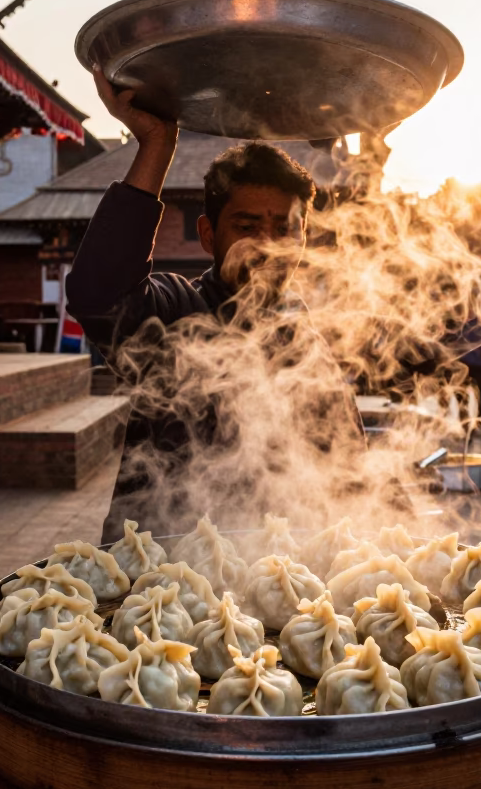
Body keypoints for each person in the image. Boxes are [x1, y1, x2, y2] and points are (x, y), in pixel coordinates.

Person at [65, 71, 364, 536]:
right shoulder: (174, 311)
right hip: (164, 581)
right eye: (246, 226)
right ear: (208, 234)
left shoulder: (303, 333)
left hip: (285, 575)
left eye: (285, 228)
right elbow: (97, 293)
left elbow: (347, 458)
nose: (267, 244)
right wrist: (156, 145)